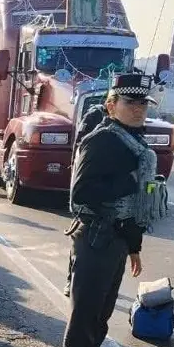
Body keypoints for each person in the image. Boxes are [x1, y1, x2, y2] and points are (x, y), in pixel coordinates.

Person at [59, 73, 164, 347]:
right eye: (129, 102)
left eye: (142, 104)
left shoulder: (132, 140)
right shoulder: (102, 140)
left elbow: (135, 204)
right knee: (83, 320)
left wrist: (134, 245)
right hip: (95, 238)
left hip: (116, 241)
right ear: (111, 105)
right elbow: (80, 195)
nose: (137, 109)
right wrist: (130, 178)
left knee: (100, 318)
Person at [63, 101, 110, 297]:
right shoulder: (95, 116)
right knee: (80, 239)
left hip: (112, 191)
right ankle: (71, 279)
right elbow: (80, 150)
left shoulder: (132, 126)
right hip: (89, 187)